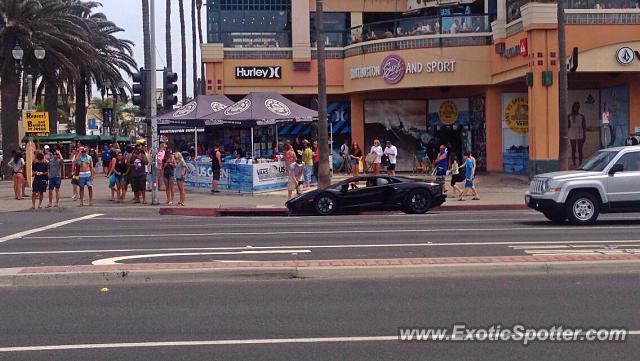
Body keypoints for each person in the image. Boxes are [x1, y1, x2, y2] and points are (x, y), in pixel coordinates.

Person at [568, 102, 587, 167]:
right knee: (573, 149)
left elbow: (584, 126)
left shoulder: (582, 116)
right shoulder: (569, 116)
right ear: (573, 107)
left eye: (578, 106)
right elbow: (567, 125)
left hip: (580, 132)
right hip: (572, 132)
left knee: (580, 149)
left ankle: (580, 163)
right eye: (575, 106)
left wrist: (584, 135)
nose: (576, 108)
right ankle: (574, 163)